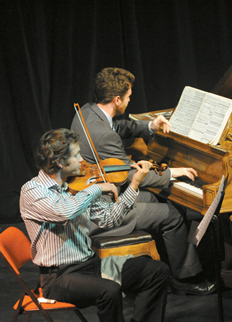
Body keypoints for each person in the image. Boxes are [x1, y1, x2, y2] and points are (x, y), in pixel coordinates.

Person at [70, 67, 215, 295]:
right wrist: (171, 174)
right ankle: (183, 279)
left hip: (97, 198)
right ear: (117, 100)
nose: (130, 99)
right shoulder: (104, 136)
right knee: (173, 216)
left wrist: (149, 126)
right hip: (103, 212)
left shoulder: (88, 112)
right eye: (128, 97)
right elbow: (128, 174)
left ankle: (158, 268)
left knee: (155, 199)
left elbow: (117, 126)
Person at [20, 128, 170, 322]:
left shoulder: (77, 188)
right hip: (59, 278)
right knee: (109, 290)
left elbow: (110, 219)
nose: (83, 160)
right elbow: (64, 211)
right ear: (59, 162)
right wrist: (97, 188)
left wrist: (134, 185)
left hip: (91, 265)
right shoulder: (32, 191)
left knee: (156, 271)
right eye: (76, 155)